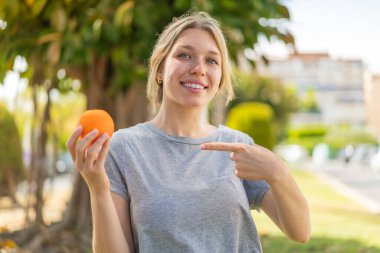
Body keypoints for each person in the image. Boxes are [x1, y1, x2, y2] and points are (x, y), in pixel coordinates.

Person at [66, 11, 311, 253]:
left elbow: (300, 232)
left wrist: (278, 172)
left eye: (212, 60)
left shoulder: (238, 146)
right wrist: (98, 189)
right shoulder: (124, 148)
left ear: (220, 76)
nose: (199, 68)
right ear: (160, 70)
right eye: (184, 55)